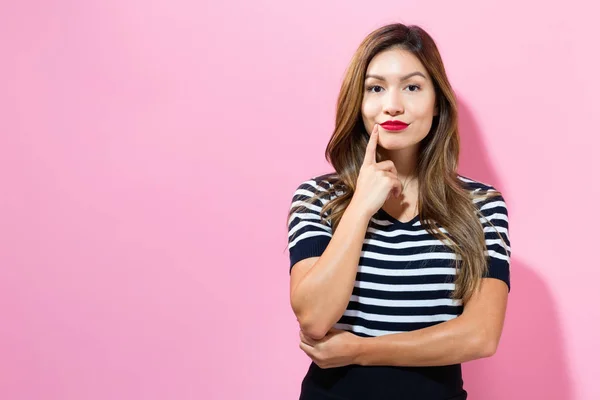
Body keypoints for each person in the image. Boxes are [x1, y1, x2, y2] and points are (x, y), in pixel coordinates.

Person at [285, 23, 511, 400]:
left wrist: (361, 350)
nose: (392, 104)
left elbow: (480, 336)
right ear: (358, 102)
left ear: (437, 101)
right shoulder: (317, 197)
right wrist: (360, 207)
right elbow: (314, 317)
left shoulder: (481, 204)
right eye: (375, 88)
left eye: (412, 86)